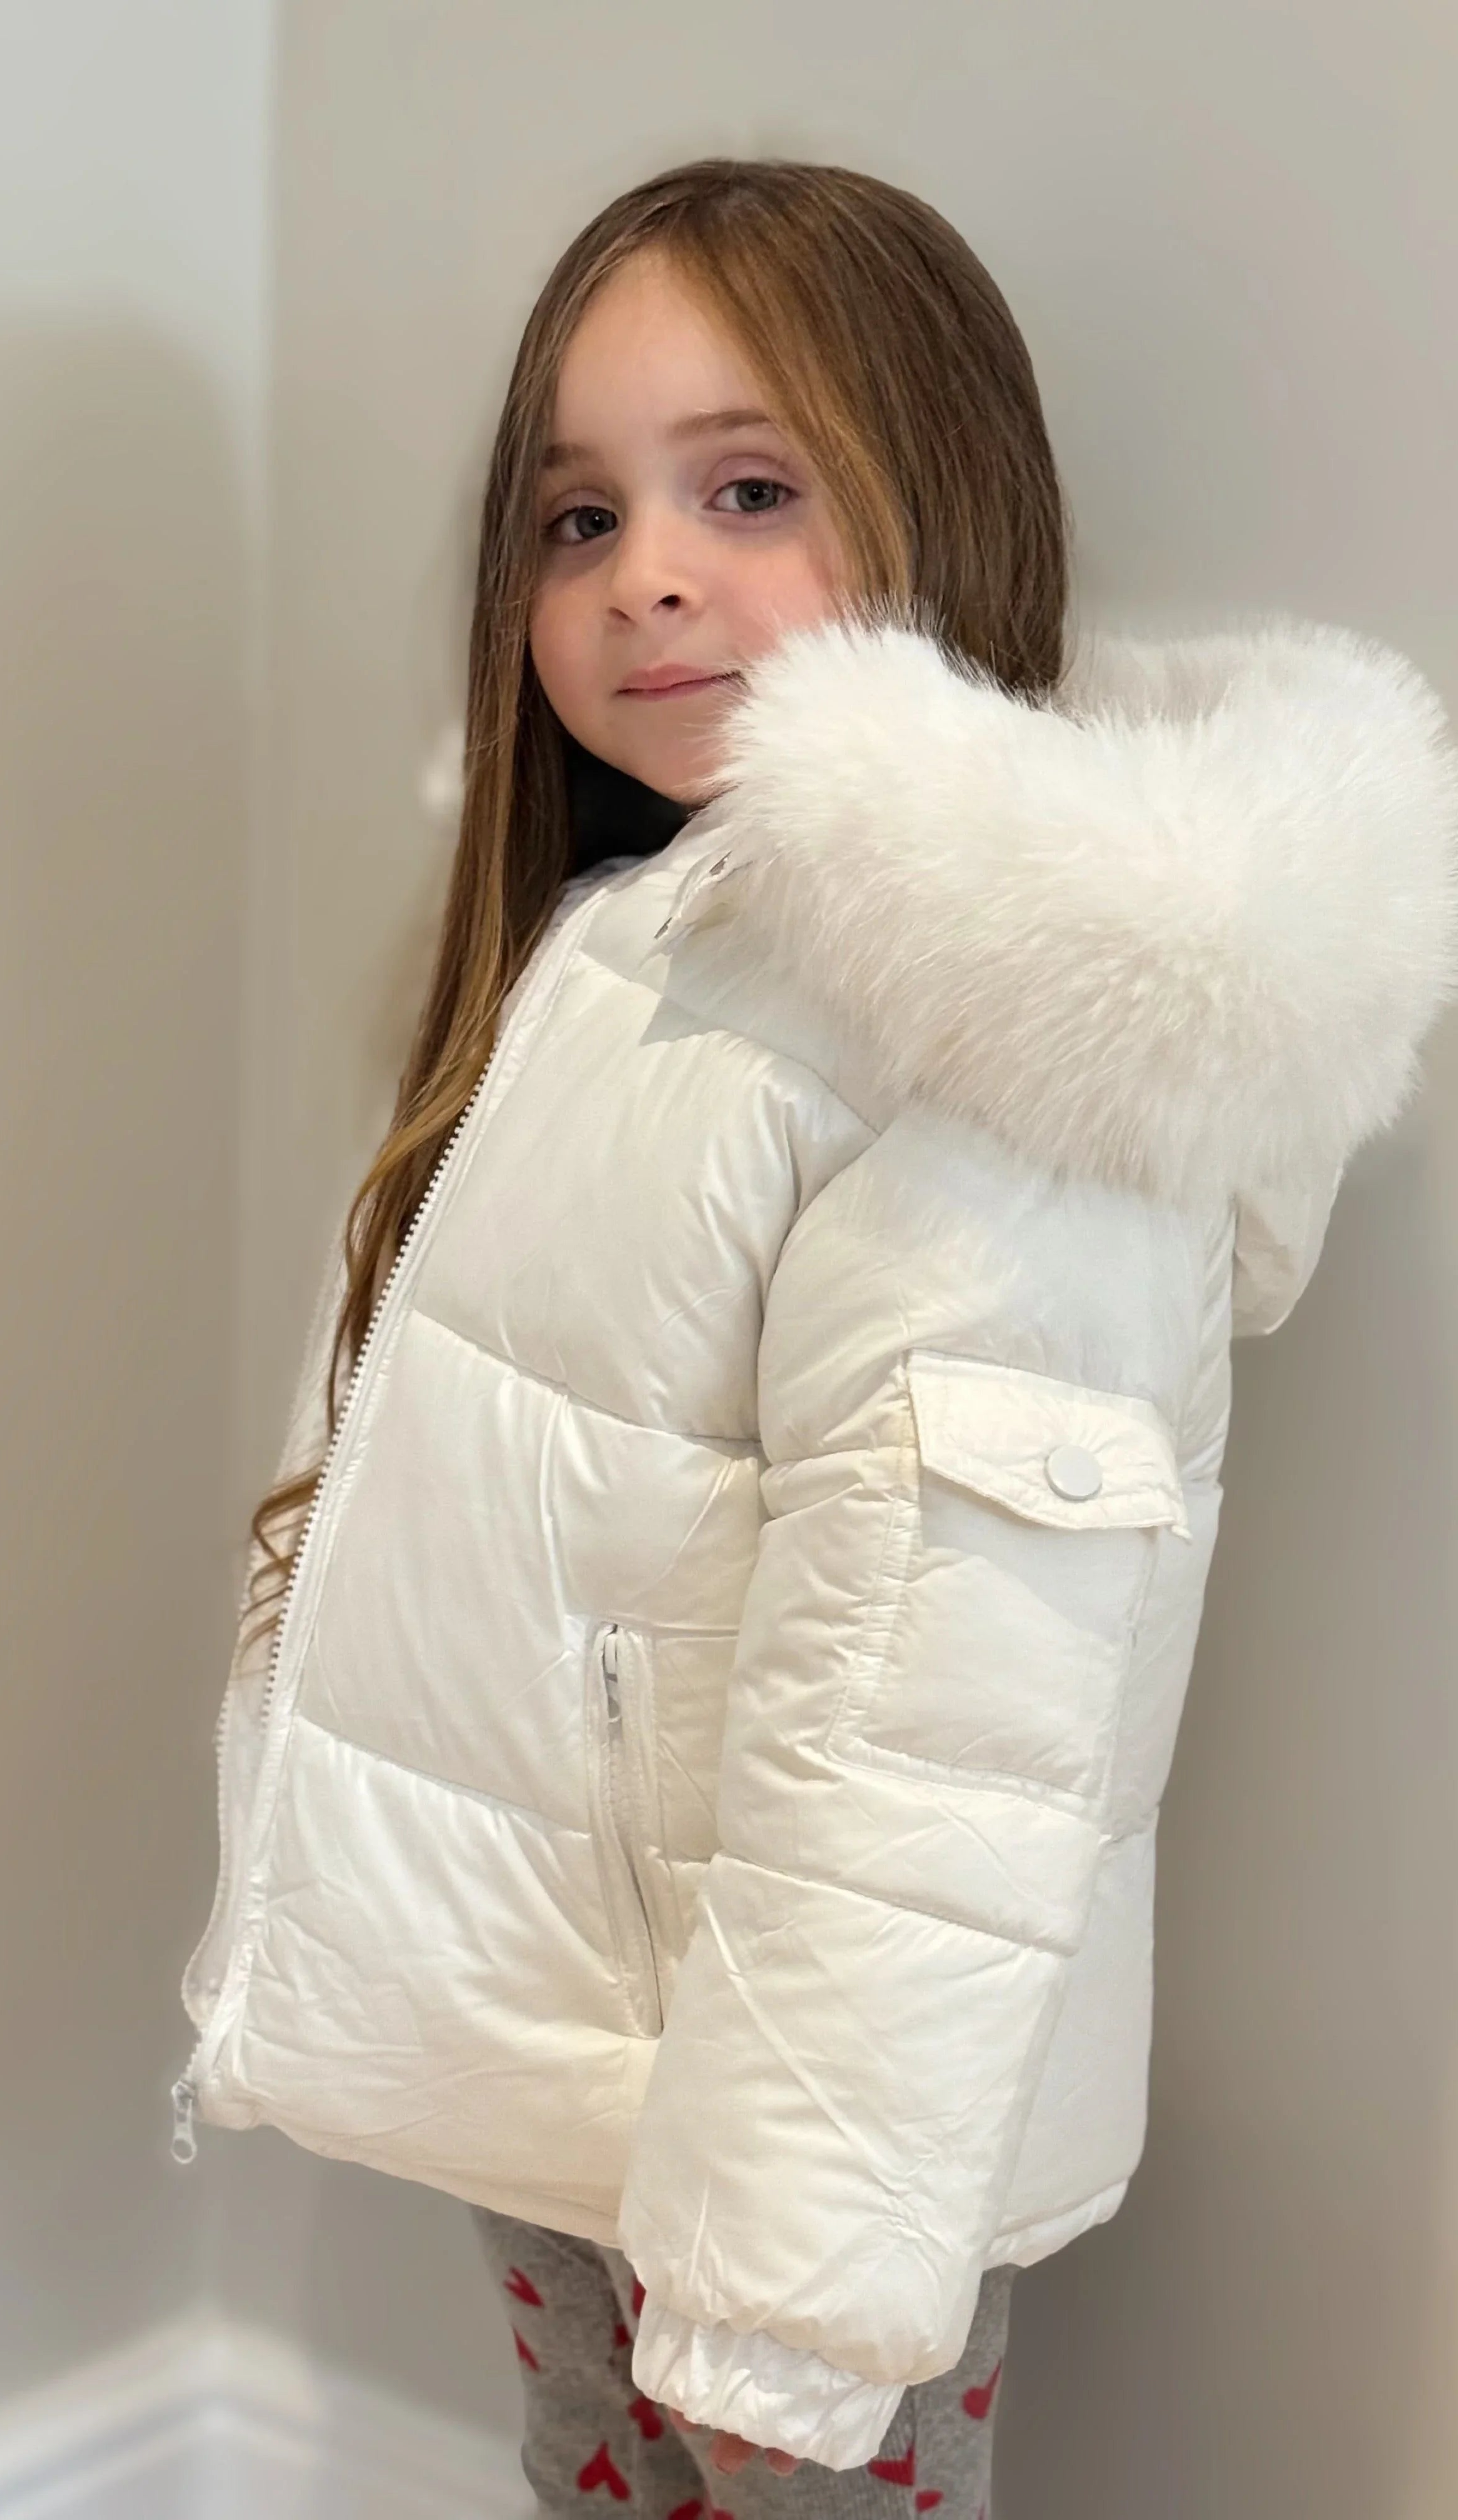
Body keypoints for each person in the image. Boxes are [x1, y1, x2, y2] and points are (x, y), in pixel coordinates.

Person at [171, 158, 1457, 2513]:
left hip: (807, 2147)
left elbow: (946, 1729)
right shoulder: (625, 958)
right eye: (579, 517)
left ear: (941, 499)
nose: (647, 570)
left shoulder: (977, 1035)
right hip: (588, 2053)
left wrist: (781, 2278)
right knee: (591, 2458)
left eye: (745, 489)